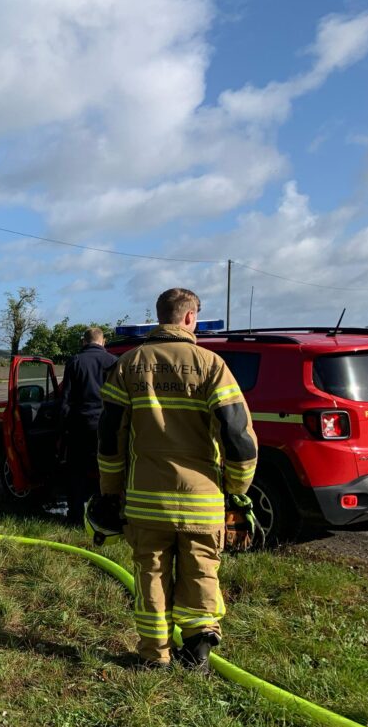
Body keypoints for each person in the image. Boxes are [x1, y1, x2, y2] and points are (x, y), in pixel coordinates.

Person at [96, 288, 257, 671]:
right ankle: (198, 648)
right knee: (201, 569)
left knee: (151, 573)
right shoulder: (213, 365)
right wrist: (237, 489)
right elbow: (238, 435)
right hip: (202, 500)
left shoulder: (129, 365)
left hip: (146, 500)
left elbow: (109, 435)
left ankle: (155, 656)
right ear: (189, 318)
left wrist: (109, 490)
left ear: (160, 316)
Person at [59, 327, 118, 525]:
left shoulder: (75, 361)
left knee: (76, 473)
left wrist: (65, 425)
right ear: (103, 341)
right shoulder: (113, 362)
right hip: (107, 426)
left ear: (83, 342)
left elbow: (65, 398)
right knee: (107, 472)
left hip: (80, 425)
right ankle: (106, 516)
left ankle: (76, 516)